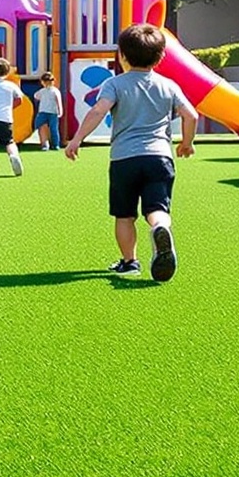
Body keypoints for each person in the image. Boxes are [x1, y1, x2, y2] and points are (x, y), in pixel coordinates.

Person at [64, 23, 199, 282]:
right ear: (160, 57)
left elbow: (97, 111)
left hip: (125, 158)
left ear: (122, 55)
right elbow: (190, 115)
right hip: (160, 157)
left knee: (124, 214)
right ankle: (160, 228)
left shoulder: (115, 84)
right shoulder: (168, 85)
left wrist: (77, 139)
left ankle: (129, 262)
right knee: (157, 207)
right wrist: (187, 143)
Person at [29, 72, 64, 150]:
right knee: (44, 127)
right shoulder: (45, 91)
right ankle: (47, 144)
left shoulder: (53, 91)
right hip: (46, 112)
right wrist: (60, 110)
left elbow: (58, 101)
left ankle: (53, 144)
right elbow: (36, 96)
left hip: (50, 112)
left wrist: (60, 110)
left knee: (52, 129)